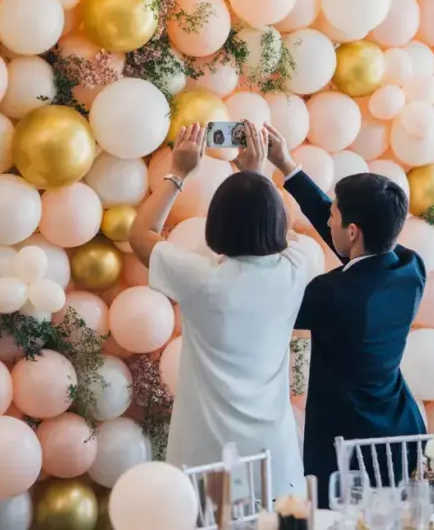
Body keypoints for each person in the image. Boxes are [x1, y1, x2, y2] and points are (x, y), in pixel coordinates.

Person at [129, 122, 310, 497]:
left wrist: (179, 172)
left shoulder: (201, 279)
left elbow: (141, 233)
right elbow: (285, 235)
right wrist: (257, 177)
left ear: (215, 224)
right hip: (273, 452)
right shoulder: (299, 266)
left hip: (206, 453)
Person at [263, 122, 427, 505]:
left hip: (345, 450)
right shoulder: (409, 268)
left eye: (333, 216)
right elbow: (356, 255)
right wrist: (287, 166)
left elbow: (271, 306)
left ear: (353, 231)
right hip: (399, 435)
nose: (328, 220)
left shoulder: (329, 294)